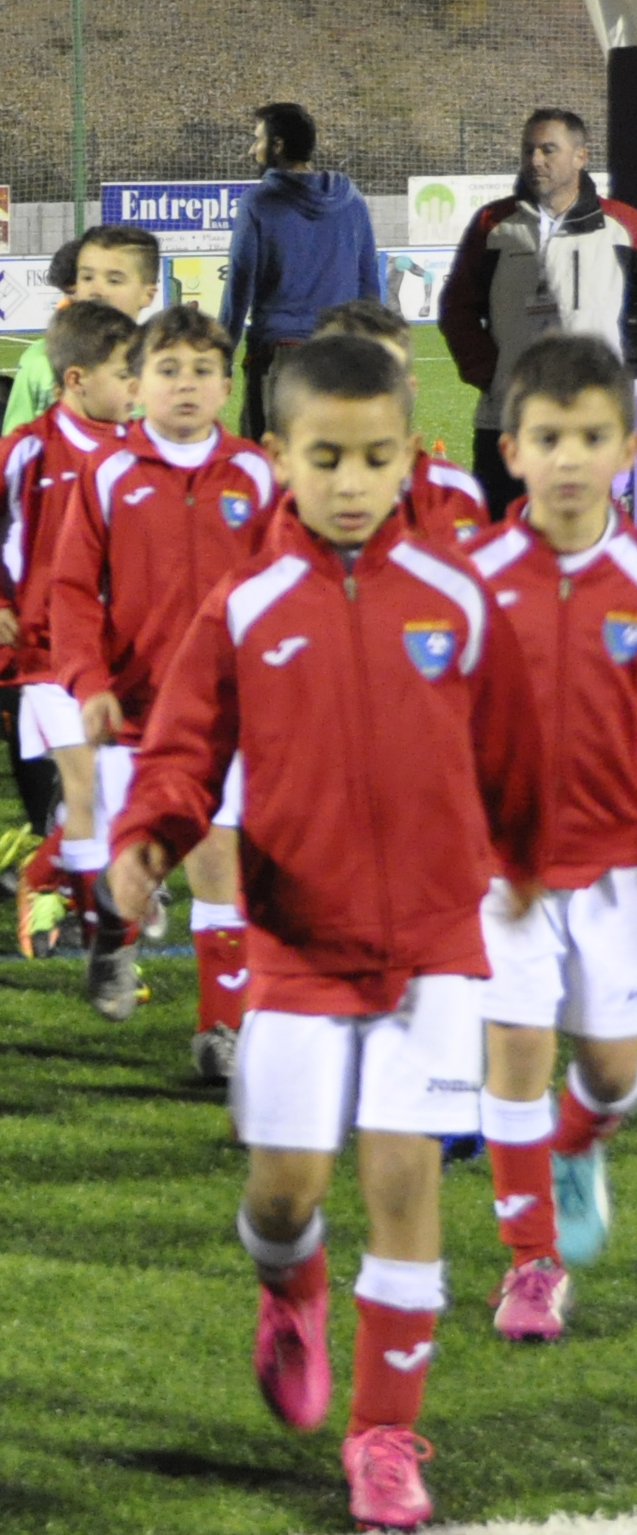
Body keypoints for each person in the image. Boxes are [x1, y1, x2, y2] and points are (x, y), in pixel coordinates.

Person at [108, 334, 544, 1532]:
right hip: (296, 944)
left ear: (409, 455)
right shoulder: (244, 604)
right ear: (281, 460)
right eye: (324, 459)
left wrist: (528, 855)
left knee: (403, 1178)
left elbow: (512, 749)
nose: (350, 483)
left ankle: (383, 1435)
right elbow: (184, 750)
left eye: (373, 458)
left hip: (436, 945)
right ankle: (285, 1286)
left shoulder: (455, 597)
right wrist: (147, 841)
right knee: (287, 1191)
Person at [460, 334, 637, 1341]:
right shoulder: (467, 576)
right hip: (502, 874)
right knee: (514, 1053)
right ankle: (528, 1263)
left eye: (589, 436)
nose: (567, 457)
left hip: (616, 866)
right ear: (512, 450)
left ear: (623, 448)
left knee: (610, 1069)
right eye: (545, 437)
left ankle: (580, 1140)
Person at [51, 305, 275, 1052]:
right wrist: (89, 681)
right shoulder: (108, 472)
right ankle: (114, 935)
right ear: (138, 385)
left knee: (218, 857)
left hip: (225, 713)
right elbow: (74, 590)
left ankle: (221, 1027)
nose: (186, 385)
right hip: (137, 709)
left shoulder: (255, 473)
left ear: (225, 385)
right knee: (138, 864)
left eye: (203, 371)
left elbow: (284, 585)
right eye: (168, 370)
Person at [0, 300, 138, 958]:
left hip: (115, 653)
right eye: (126, 373)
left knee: (115, 794)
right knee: (89, 790)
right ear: (77, 379)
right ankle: (79, 912)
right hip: (42, 652)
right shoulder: (26, 450)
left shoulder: (137, 449)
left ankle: (56, 882)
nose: (139, 387)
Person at [440, 109, 637, 521]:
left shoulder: (623, 225)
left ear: (581, 156)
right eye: (528, 149)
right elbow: (456, 308)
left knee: (589, 550)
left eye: (549, 149)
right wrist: (490, 374)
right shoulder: (493, 224)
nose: (535, 160)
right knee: (503, 542)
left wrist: (625, 375)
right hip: (508, 419)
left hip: (595, 422)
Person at [220, 102, 381, 441]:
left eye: (257, 140)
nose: (253, 150)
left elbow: (239, 283)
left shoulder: (259, 202)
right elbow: (369, 283)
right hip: (341, 355)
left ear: (277, 146)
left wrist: (221, 355)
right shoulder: (351, 199)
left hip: (281, 356)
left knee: (271, 471)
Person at [311, 300, 487, 547]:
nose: (364, 395)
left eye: (383, 377)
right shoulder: (278, 499)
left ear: (410, 389)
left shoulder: (454, 495)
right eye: (343, 375)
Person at [4, 227, 160, 431]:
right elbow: (14, 447)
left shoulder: (163, 365)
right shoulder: (39, 360)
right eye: (87, 278)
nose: (97, 290)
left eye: (114, 280)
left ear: (147, 294)